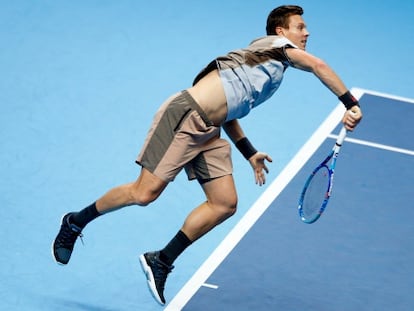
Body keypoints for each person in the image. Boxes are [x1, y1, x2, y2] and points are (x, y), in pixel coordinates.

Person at [52, 5, 362, 306]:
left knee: (224, 204)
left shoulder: (270, 73)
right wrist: (349, 103)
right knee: (144, 193)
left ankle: (161, 260)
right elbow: (318, 65)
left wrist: (249, 153)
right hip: (186, 116)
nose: (307, 32)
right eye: (300, 27)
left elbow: (229, 112)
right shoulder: (274, 46)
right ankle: (75, 222)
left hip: (210, 129)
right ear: (281, 31)